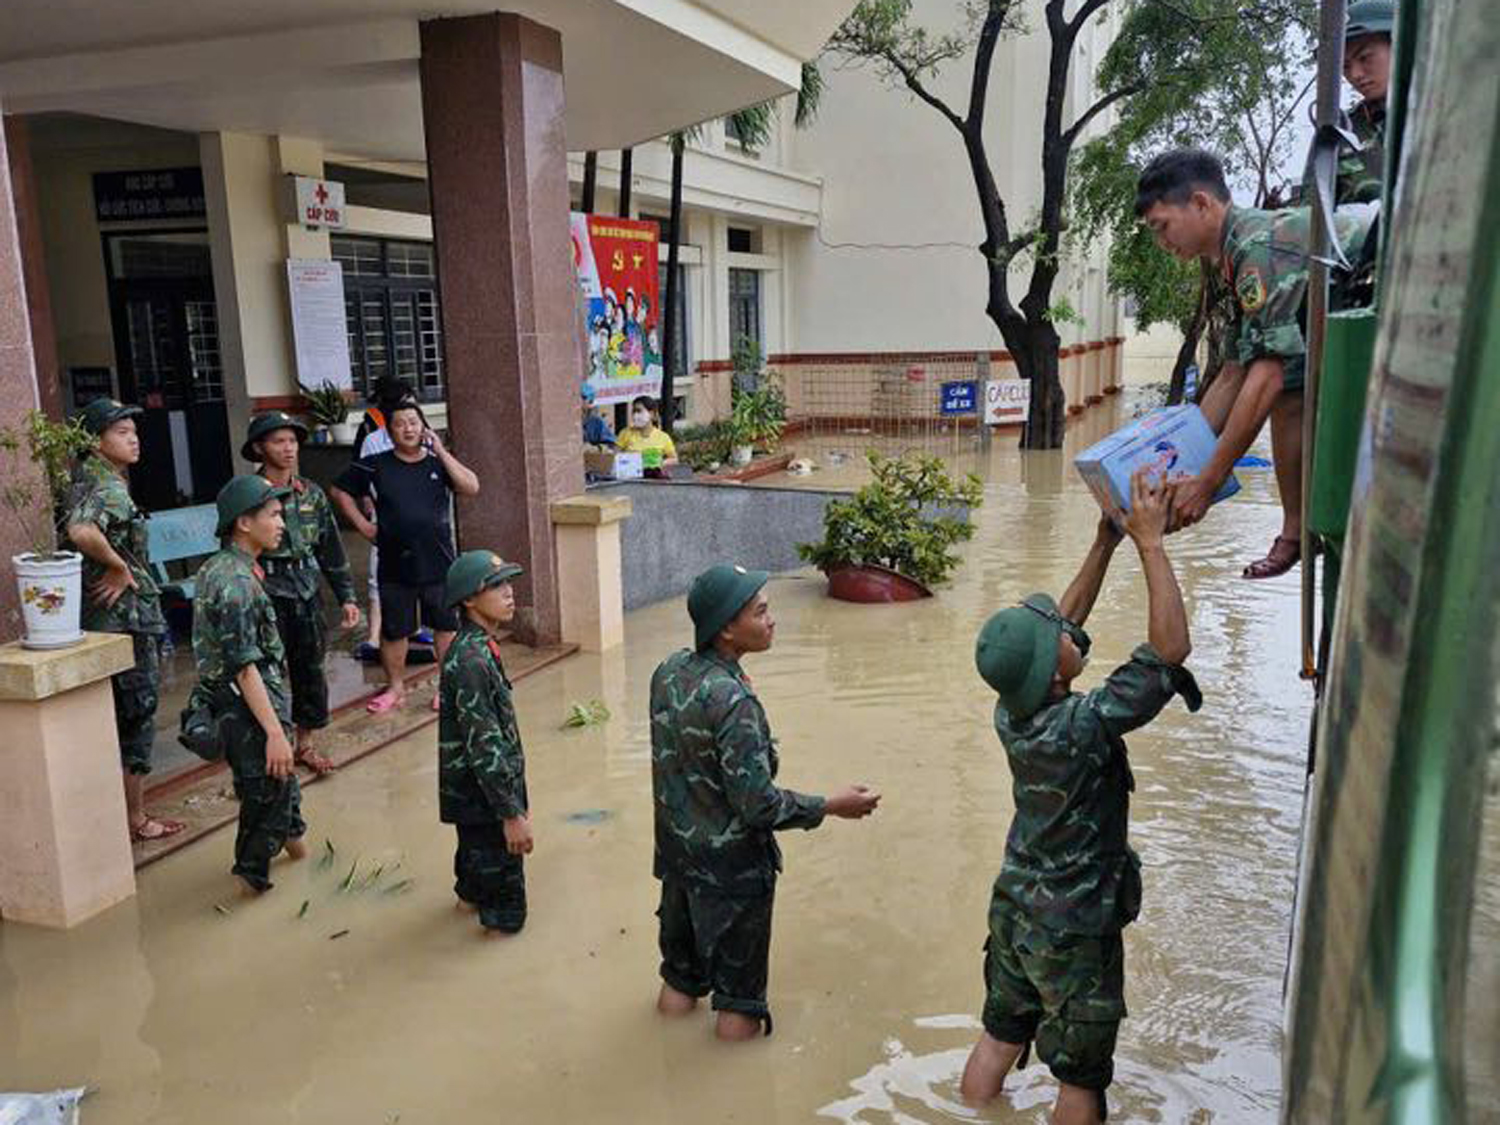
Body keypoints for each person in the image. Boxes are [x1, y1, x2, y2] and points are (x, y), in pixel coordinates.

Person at [961, 470, 1202, 1124]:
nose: (1069, 629)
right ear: (1054, 669)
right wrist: (1150, 542)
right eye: (1060, 638)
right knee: (1079, 1078)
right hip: (1075, 928)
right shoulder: (1086, 722)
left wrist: (1105, 543)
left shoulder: (1013, 713)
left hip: (1015, 910)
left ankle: (968, 1112)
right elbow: (1170, 649)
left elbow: (1062, 623)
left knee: (1000, 1035)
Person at [651, 564, 881, 1040]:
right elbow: (758, 806)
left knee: (679, 979)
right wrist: (831, 805)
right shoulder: (734, 703)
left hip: (677, 858)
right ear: (727, 629)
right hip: (731, 874)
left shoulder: (669, 671)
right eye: (761, 612)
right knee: (739, 1005)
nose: (772, 619)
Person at [1134, 148, 1370, 578]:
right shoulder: (1233, 255)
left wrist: (1206, 484)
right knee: (1288, 382)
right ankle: (1297, 531)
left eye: (1162, 226)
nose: (1162, 242)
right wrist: (1174, 464)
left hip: (1389, 281)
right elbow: (1232, 373)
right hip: (1352, 311)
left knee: (1283, 384)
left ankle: (1297, 530)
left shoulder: (1255, 247)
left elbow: (1266, 378)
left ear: (1202, 203)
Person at [65, 398, 184, 843]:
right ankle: (134, 819)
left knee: (115, 719)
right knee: (136, 718)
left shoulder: (88, 479)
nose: (133, 438)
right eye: (121, 432)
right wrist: (119, 567)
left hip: (107, 619)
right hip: (125, 621)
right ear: (96, 441)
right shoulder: (108, 487)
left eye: (134, 431)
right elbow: (81, 531)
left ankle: (116, 814)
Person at [190, 475, 307, 894]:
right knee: (263, 813)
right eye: (274, 515)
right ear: (244, 522)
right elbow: (244, 668)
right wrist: (275, 732)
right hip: (250, 712)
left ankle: (308, 866)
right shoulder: (236, 584)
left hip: (252, 706)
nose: (282, 524)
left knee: (282, 797)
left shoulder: (222, 567)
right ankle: (249, 893)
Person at [331, 400, 480, 714]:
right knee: (394, 629)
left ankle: (446, 686)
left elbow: (471, 486)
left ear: (423, 427)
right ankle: (396, 688)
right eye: (400, 423)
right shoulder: (375, 464)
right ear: (390, 430)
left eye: (414, 422)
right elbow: (338, 490)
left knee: (445, 626)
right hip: (395, 561)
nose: (408, 428)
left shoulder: (438, 463)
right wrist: (362, 525)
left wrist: (440, 450)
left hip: (438, 561)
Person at [243, 411, 361, 775]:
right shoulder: (248, 496)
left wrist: (347, 596)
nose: (289, 448)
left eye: (293, 441)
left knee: (310, 670)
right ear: (260, 448)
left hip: (306, 591)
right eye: (279, 441)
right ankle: (269, 746)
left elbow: (330, 548)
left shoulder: (310, 493)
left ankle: (304, 744)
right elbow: (234, 545)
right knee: (268, 673)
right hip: (267, 592)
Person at [438, 550, 532, 935]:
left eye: (508, 583)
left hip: (472, 799)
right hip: (487, 803)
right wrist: (511, 815)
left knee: (472, 894)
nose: (508, 593)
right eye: (495, 586)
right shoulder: (473, 660)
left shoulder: (474, 647)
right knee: (505, 920)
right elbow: (485, 745)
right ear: (469, 601)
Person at [350, 376, 409, 657]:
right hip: (384, 513)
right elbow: (358, 475)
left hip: (414, 514)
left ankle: (411, 627)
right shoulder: (373, 432)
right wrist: (366, 506)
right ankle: (375, 636)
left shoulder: (419, 430)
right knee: (380, 574)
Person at [1335, 0, 1394, 207]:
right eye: (1345, 66)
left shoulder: (1448, 111)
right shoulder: (1339, 133)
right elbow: (1312, 218)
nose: (1355, 75)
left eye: (1365, 58)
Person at [616, 396, 678, 471]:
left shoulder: (663, 437)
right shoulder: (625, 433)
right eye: (634, 411)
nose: (635, 415)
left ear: (651, 414)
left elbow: (674, 459)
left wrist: (661, 463)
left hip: (653, 479)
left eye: (639, 411)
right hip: (630, 478)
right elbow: (614, 456)